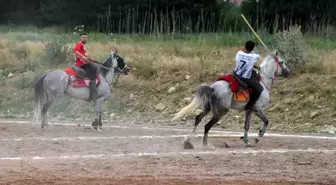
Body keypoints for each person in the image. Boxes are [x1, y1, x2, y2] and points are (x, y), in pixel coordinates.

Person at [233, 40, 263, 110]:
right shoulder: (254, 56)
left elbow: (245, 55)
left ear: (245, 46)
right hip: (244, 78)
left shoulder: (239, 53)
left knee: (254, 73)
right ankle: (250, 105)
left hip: (235, 73)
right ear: (252, 49)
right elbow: (260, 57)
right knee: (259, 89)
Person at [73, 33, 98, 101]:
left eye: (86, 37)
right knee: (92, 74)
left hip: (85, 63)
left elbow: (84, 56)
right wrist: (83, 56)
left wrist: (89, 59)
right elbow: (76, 51)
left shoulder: (83, 45)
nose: (85, 38)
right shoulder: (79, 44)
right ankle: (93, 94)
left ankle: (94, 83)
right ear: (80, 38)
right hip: (81, 64)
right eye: (83, 37)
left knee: (96, 67)